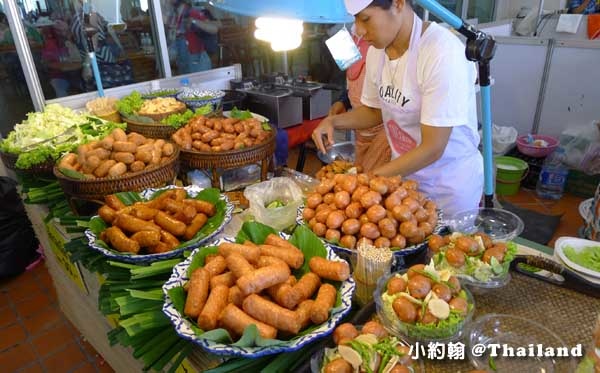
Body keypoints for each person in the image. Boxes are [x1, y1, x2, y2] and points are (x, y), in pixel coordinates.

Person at [312, 0, 483, 216]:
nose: (360, 31)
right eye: (355, 20)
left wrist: (366, 179)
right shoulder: (378, 51)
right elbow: (374, 111)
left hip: (446, 186)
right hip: (403, 181)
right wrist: (333, 121)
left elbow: (433, 148)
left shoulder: (441, 52)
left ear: (398, 3)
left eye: (366, 19)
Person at [328, 33, 391, 173]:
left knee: (374, 175)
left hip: (385, 129)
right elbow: (351, 79)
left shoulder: (386, 41)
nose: (360, 27)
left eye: (365, 19)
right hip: (361, 129)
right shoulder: (343, 37)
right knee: (360, 171)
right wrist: (343, 101)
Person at [166, 0, 219, 74]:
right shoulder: (173, 15)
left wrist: (194, 21)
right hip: (183, 62)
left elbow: (214, 29)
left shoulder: (192, 12)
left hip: (197, 62)